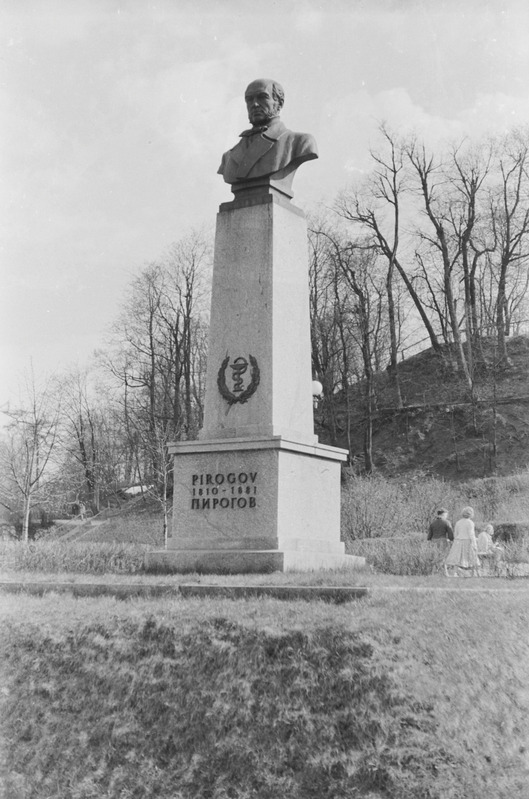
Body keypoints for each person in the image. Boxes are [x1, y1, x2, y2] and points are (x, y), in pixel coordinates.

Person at [218, 78, 318, 188]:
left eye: (262, 97)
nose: (255, 104)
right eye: (249, 99)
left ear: (279, 103)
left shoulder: (300, 142)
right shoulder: (228, 157)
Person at [444, 506, 479, 577]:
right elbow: (471, 534)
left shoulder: (458, 522)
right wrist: (474, 544)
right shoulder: (470, 523)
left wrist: (456, 541)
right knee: (471, 556)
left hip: (458, 541)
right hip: (467, 541)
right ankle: (473, 573)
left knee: (457, 558)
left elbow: (455, 533)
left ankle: (454, 573)